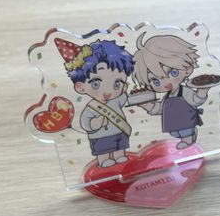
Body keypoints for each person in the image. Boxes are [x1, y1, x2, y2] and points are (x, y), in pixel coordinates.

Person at [57, 38, 134, 168]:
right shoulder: (91, 107)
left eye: (117, 84)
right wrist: (94, 123)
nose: (107, 92)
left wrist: (124, 91)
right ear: (80, 87)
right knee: (103, 150)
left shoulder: (116, 100)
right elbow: (85, 122)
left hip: (119, 131)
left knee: (120, 147)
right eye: (96, 84)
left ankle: (119, 156)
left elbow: (124, 99)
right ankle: (103, 160)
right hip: (100, 135)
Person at [133, 34, 212, 149]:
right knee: (175, 133)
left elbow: (195, 100)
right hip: (173, 124)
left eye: (173, 72)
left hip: (186, 120)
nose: (165, 83)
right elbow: (160, 109)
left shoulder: (184, 91)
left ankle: (188, 140)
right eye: (156, 81)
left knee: (185, 131)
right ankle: (187, 138)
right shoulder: (167, 96)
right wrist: (148, 106)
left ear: (187, 69)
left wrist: (202, 91)